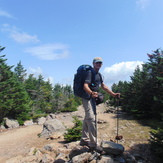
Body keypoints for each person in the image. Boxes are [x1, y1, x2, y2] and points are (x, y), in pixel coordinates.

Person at [80, 57, 120, 151]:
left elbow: (103, 86)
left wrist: (113, 94)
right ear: (93, 63)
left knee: (88, 118)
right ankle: (93, 143)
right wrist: (91, 93)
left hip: (93, 98)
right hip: (87, 98)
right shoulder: (90, 73)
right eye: (97, 63)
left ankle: (84, 139)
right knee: (92, 119)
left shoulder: (99, 75)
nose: (99, 64)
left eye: (100, 63)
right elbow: (85, 85)